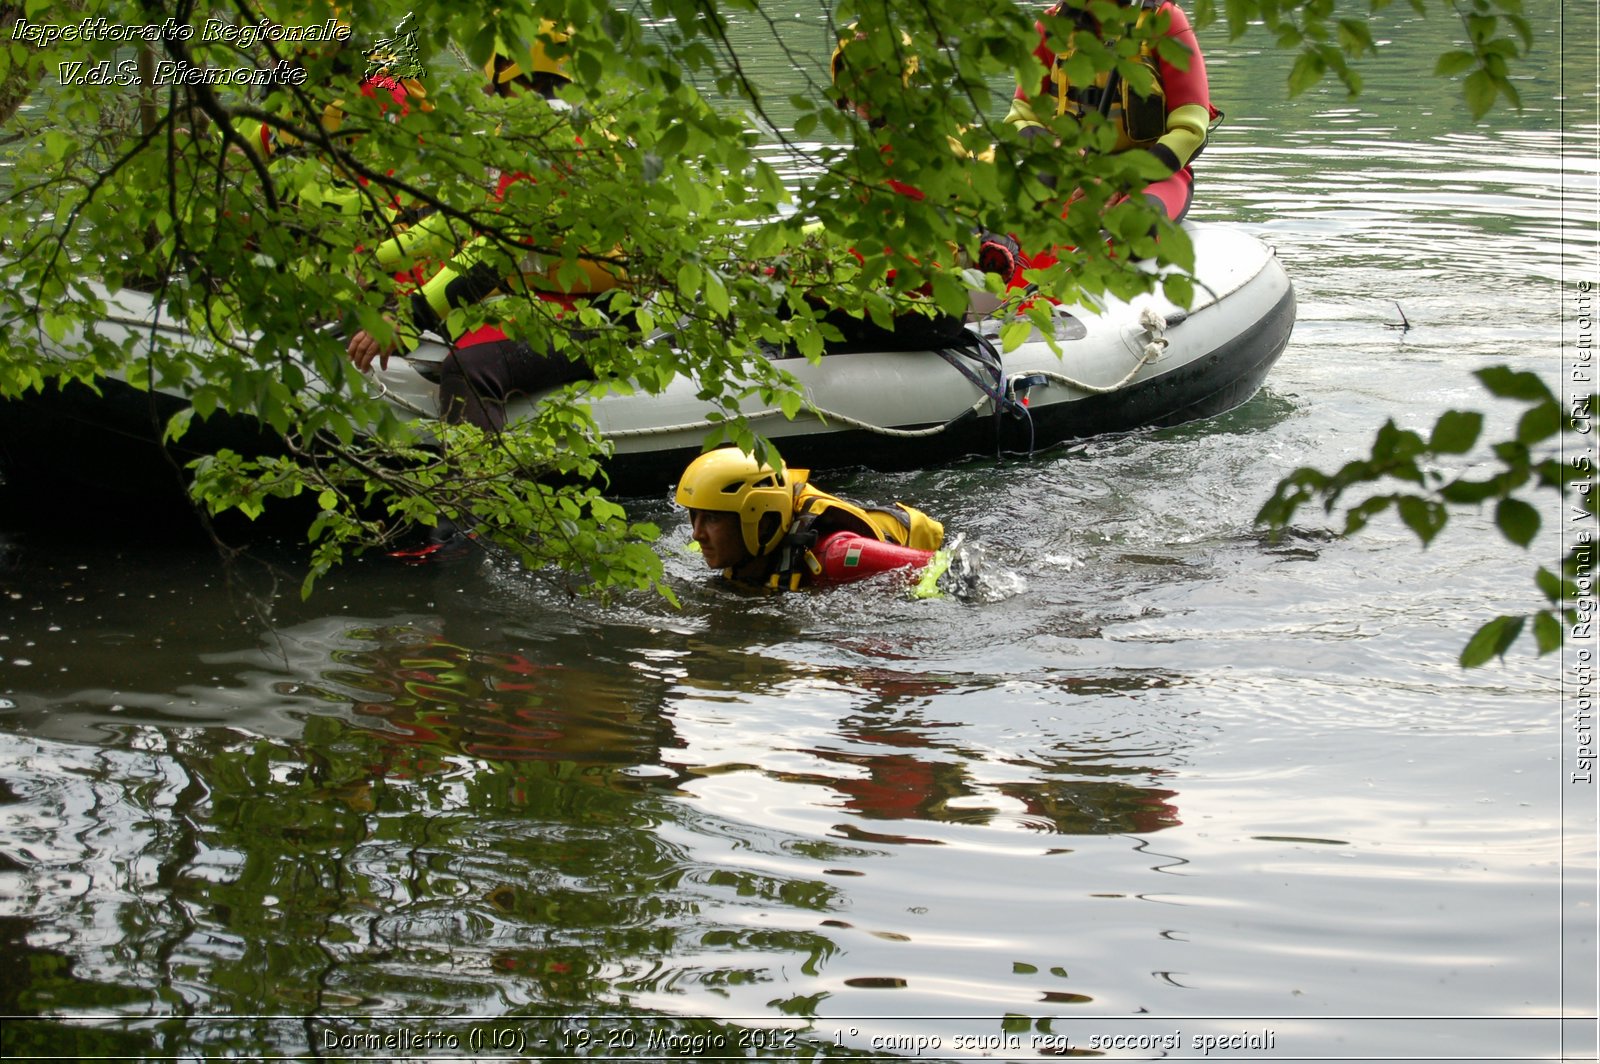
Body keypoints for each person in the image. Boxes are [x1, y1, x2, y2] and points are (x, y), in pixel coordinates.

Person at [344, 24, 621, 433]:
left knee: (469, 369)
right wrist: (371, 259)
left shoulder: (554, 141)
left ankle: (475, 492)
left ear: (508, 67)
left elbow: (492, 253)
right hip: (549, 300)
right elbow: (457, 220)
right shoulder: (539, 128)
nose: (486, 88)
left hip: (598, 317)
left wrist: (408, 317)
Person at [1007, 0, 1217, 226]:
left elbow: (1191, 130)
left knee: (1134, 224)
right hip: (1075, 173)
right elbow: (1020, 116)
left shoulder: (1165, 21)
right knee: (1014, 212)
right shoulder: (1050, 27)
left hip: (1153, 176)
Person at [675, 448, 945, 591]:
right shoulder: (723, 547)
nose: (696, 535)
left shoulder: (840, 556)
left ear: (761, 520)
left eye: (711, 519)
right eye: (694, 517)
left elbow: (947, 568)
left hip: (895, 545)